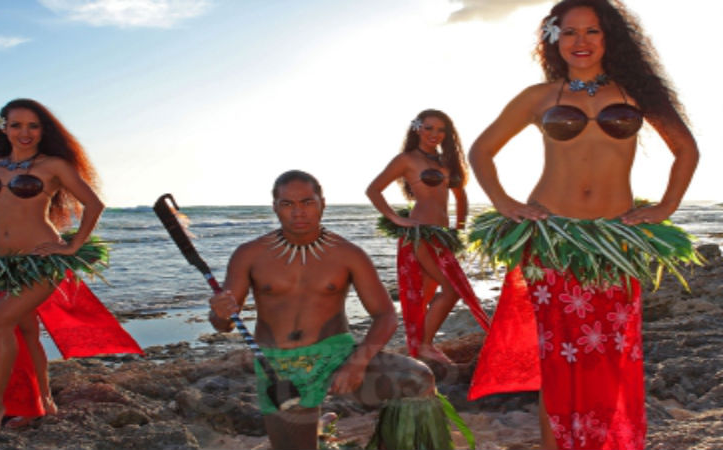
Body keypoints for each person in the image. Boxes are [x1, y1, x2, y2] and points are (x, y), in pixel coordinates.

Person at [467, 1, 699, 449]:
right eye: (570, 32)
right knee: (558, 359)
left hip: (613, 242)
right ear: (555, 38)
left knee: (612, 354)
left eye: (592, 31)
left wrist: (667, 206)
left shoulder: (637, 93)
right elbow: (481, 151)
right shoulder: (539, 97)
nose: (581, 41)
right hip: (555, 240)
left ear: (609, 37)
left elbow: (686, 150)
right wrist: (504, 202)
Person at [209, 170, 462, 450]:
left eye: (307, 202)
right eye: (287, 204)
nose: (298, 212)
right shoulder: (249, 254)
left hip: (337, 357)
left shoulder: (348, 254)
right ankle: (318, 429)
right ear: (275, 207)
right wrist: (220, 314)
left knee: (418, 378)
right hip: (278, 368)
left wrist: (358, 361)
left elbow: (385, 314)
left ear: (322, 203)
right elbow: (224, 325)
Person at [0, 99, 142, 440]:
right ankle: (44, 401)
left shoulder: (53, 165)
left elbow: (94, 204)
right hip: (2, 266)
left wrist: (72, 246)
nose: (24, 133)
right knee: (25, 333)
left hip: (41, 263)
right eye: (16, 125)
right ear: (3, 128)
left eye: (33, 126)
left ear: (43, 130)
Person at [366, 109, 489, 365]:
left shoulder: (446, 162)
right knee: (452, 289)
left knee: (425, 293)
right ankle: (424, 345)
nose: (434, 134)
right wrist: (397, 219)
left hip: (442, 236)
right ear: (417, 129)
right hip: (421, 234)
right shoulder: (406, 159)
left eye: (440, 130)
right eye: (429, 128)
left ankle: (419, 348)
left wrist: (458, 229)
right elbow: (373, 190)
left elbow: (460, 196)